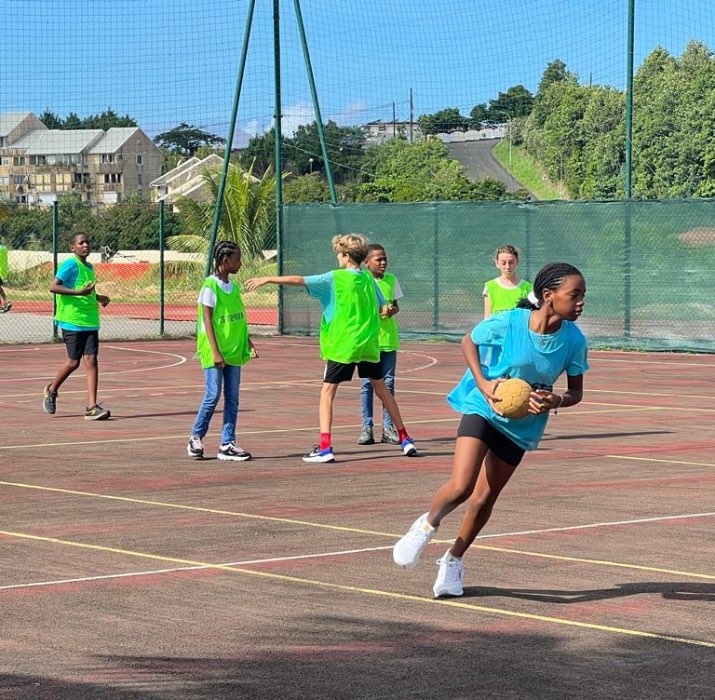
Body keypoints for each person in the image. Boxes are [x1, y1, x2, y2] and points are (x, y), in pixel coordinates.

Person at [392, 262, 588, 598]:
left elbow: (576, 392)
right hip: (483, 407)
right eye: (575, 295)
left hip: (522, 424)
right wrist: (483, 383)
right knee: (462, 485)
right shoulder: (510, 322)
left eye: (583, 295)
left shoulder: (573, 341)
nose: (582, 302)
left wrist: (556, 399)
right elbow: (469, 341)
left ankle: (453, 560)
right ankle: (426, 526)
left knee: (484, 499)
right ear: (548, 296)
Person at [246, 233, 417, 463]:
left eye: (338, 253)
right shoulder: (368, 279)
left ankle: (325, 448)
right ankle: (405, 439)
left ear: (346, 256)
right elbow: (380, 306)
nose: (337, 257)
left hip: (343, 346)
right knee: (382, 390)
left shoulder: (334, 278)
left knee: (327, 393)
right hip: (367, 344)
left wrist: (268, 279)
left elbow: (299, 280)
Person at [187, 240, 257, 462]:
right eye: (237, 259)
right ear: (225, 261)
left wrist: (248, 341)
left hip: (234, 349)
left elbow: (240, 318)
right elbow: (207, 320)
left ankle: (227, 443)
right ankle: (196, 437)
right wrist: (215, 351)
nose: (240, 263)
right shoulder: (210, 286)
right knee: (212, 394)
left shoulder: (233, 288)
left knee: (233, 398)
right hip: (215, 350)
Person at [43, 232, 111, 420]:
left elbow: (88, 291)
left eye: (87, 242)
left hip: (90, 321)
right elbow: (53, 287)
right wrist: (78, 292)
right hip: (72, 321)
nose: (86, 245)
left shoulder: (90, 267)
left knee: (92, 361)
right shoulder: (70, 265)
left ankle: (91, 407)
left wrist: (98, 297)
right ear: (73, 247)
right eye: (81, 243)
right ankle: (52, 389)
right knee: (74, 362)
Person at [358, 243, 403, 446]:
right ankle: (367, 427)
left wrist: (391, 310)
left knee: (389, 384)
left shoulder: (391, 279)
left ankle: (388, 428)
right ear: (367, 262)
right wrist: (376, 312)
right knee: (367, 385)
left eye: (385, 258)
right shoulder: (362, 281)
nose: (383, 262)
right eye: (378, 259)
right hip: (369, 341)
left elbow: (395, 305)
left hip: (388, 341)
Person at [483, 244, 532, 318]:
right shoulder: (490, 287)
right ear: (497, 263)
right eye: (503, 263)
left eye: (511, 262)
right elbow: (487, 320)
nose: (507, 266)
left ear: (517, 262)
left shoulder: (528, 288)